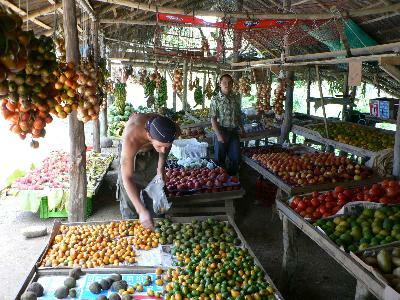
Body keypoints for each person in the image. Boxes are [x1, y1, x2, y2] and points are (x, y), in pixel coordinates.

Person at [117, 113, 179, 229]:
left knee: (157, 188)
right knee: (129, 199)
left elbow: (165, 148)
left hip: (152, 150)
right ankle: (131, 225)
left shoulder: (172, 130)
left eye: (167, 146)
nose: (163, 150)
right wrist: (141, 210)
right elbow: (127, 178)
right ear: (149, 136)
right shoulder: (131, 139)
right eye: (161, 146)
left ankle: (157, 225)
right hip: (133, 154)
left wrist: (160, 169)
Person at [210, 74, 244, 175]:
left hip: (233, 132)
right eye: (224, 82)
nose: (227, 85)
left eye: (229, 82)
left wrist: (241, 128)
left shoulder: (236, 98)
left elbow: (238, 115)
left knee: (236, 158)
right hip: (222, 131)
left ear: (232, 84)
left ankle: (232, 180)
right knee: (219, 160)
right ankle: (219, 181)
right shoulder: (215, 99)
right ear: (220, 84)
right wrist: (219, 135)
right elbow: (213, 119)